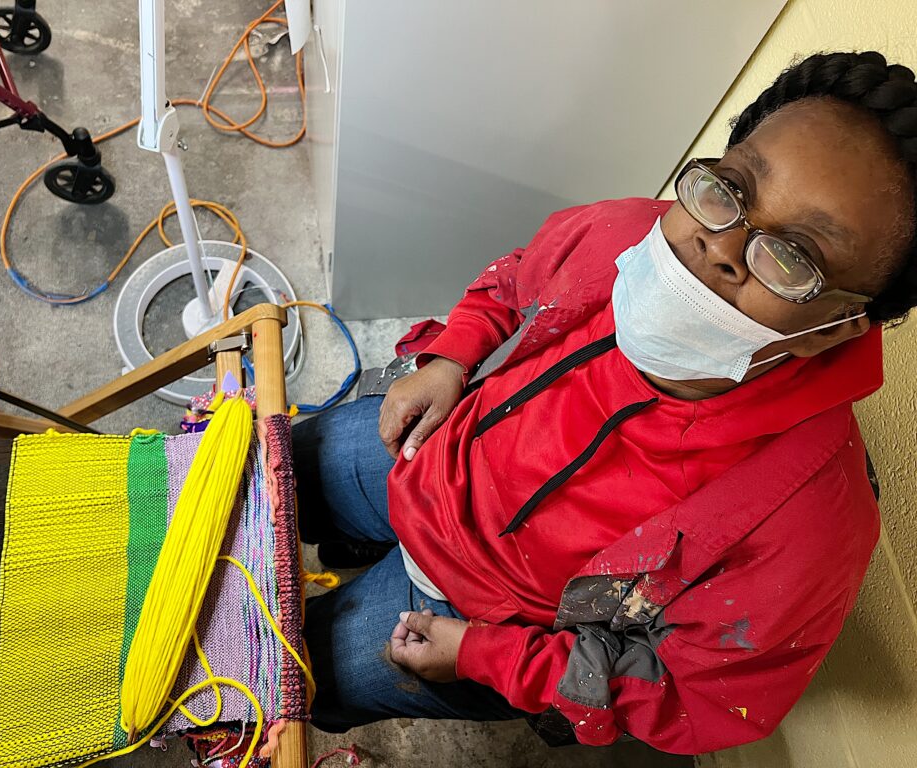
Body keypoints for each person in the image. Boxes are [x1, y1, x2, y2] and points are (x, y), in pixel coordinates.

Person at [293, 51, 917, 754]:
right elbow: (515, 280)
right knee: (287, 471)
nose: (721, 245)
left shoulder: (807, 520)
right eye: (733, 187)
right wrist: (450, 357)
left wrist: (488, 659)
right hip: (433, 446)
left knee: (295, 675)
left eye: (796, 254)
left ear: (837, 324)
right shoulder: (622, 234)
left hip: (482, 619)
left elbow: (692, 698)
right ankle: (352, 537)